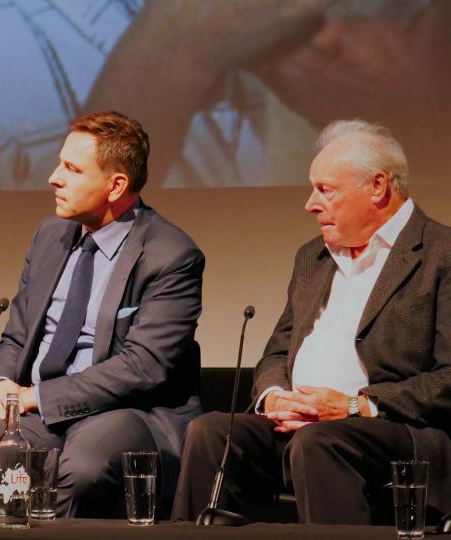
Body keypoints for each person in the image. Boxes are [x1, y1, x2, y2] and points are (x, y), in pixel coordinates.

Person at [0, 111, 204, 518]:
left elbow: (144, 367)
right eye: (59, 163)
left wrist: (35, 398)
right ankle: (35, 497)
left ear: (115, 184)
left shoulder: (170, 254)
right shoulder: (50, 236)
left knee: (82, 471)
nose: (54, 177)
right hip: (38, 413)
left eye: (71, 168)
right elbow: (18, 334)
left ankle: (36, 497)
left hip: (124, 411)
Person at [171, 120, 451, 524]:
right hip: (301, 425)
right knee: (211, 431)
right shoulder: (312, 258)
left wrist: (357, 405)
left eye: (326, 190)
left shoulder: (440, 255)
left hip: (398, 431)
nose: (310, 203)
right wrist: (275, 396)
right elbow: (277, 352)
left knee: (320, 442)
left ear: (377, 187)